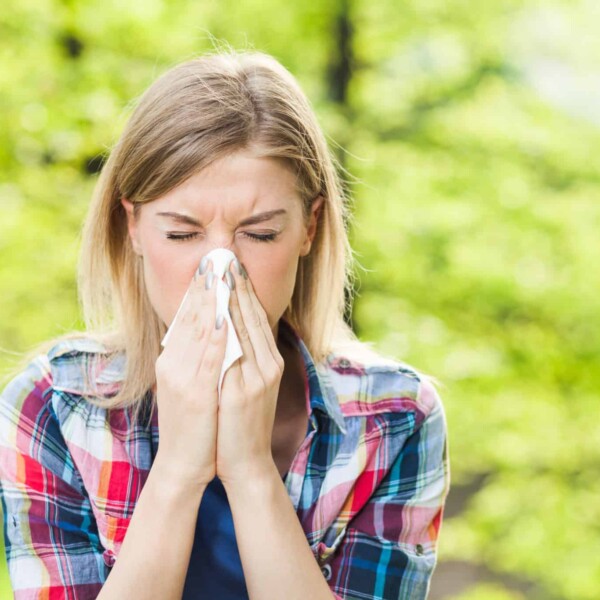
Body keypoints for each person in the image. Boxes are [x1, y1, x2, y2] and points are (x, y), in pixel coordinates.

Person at [0, 48, 450, 599]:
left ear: (309, 228)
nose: (221, 272)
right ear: (134, 226)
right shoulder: (52, 406)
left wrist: (251, 471)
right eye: (182, 234)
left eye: (259, 234)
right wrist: (179, 471)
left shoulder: (396, 418)